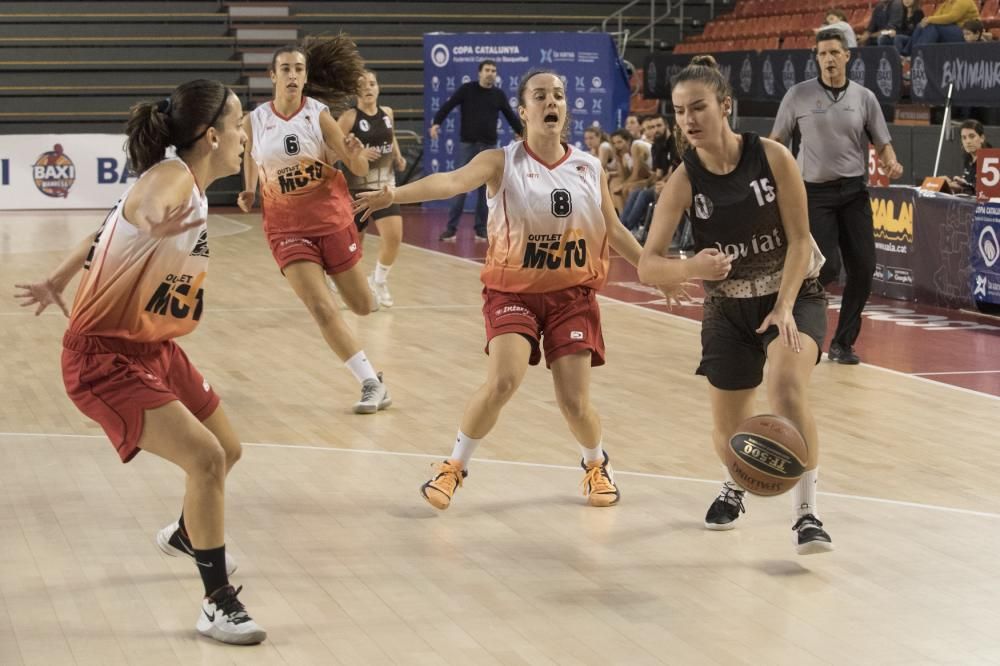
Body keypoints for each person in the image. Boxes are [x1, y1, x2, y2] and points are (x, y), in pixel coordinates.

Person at [14, 80, 267, 643]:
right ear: (210, 135)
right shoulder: (172, 178)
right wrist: (154, 222)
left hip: (154, 347)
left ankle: (186, 534)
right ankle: (216, 603)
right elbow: (149, 206)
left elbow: (105, 229)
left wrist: (57, 280)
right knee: (204, 458)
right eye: (238, 123)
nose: (245, 134)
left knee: (227, 450)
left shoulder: (190, 182)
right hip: (103, 358)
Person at [355, 69, 652, 511]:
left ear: (565, 107)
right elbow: (451, 182)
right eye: (540, 95)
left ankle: (596, 463)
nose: (551, 101)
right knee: (503, 381)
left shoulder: (588, 167)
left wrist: (652, 265)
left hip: (572, 296)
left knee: (574, 403)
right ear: (523, 109)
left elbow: (613, 227)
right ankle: (453, 466)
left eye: (558, 95)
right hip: (512, 292)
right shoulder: (501, 161)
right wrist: (393, 194)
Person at [637, 55, 834, 556]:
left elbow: (798, 239)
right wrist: (691, 269)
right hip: (727, 307)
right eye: (680, 111)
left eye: (698, 107)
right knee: (730, 431)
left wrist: (785, 306)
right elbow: (647, 265)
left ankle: (807, 513)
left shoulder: (771, 157)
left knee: (786, 386)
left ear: (725, 106)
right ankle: (736, 482)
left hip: (792, 293)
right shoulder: (684, 179)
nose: (688, 120)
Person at [239, 36, 392, 414]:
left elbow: (356, 168)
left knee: (362, 306)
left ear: (306, 77)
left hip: (332, 221)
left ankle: (371, 289)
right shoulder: (255, 120)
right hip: (286, 228)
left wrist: (355, 154)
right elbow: (249, 157)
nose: (293, 75)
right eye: (286, 69)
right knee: (322, 308)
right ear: (271, 75)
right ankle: (370, 382)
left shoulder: (319, 115)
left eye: (299, 69)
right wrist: (248, 190)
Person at [770, 29, 903, 365]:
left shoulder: (864, 97)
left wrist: (890, 161)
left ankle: (843, 344)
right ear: (816, 58)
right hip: (812, 193)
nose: (828, 59)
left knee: (864, 268)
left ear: (847, 56)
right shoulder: (798, 95)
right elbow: (776, 142)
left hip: (853, 191)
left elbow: (881, 141)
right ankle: (793, 325)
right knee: (824, 267)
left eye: (834, 53)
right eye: (822, 54)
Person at [430, 59, 524, 242]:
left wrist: (522, 133)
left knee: (486, 190)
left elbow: (511, 116)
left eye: (493, 70)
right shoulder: (467, 89)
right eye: (487, 70)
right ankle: (451, 228)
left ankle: (481, 229)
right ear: (479, 73)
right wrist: (436, 123)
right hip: (468, 145)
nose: (490, 73)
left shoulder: (498, 95)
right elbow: (449, 105)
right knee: (459, 186)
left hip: (488, 147)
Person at [338, 69, 407, 308]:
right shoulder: (349, 117)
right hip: (356, 189)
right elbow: (333, 146)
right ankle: (348, 286)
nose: (368, 88)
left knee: (394, 236)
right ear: (356, 91)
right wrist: (356, 153)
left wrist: (397, 156)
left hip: (385, 188)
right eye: (363, 84)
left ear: (378, 87)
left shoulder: (387, 113)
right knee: (356, 245)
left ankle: (378, 280)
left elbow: (391, 136)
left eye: (372, 83)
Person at [901, 0, 979, 55]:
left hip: (966, 31)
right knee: (921, 25)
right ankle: (910, 53)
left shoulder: (963, 1)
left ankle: (916, 54)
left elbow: (952, 17)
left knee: (933, 25)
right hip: (951, 29)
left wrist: (930, 19)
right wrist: (926, 21)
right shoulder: (946, 3)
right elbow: (936, 17)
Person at [947, 119, 991, 194]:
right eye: (964, 138)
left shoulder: (991, 160)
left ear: (982, 138)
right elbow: (970, 185)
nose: (968, 141)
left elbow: (987, 192)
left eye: (972, 136)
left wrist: (966, 186)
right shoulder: (967, 158)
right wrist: (953, 184)